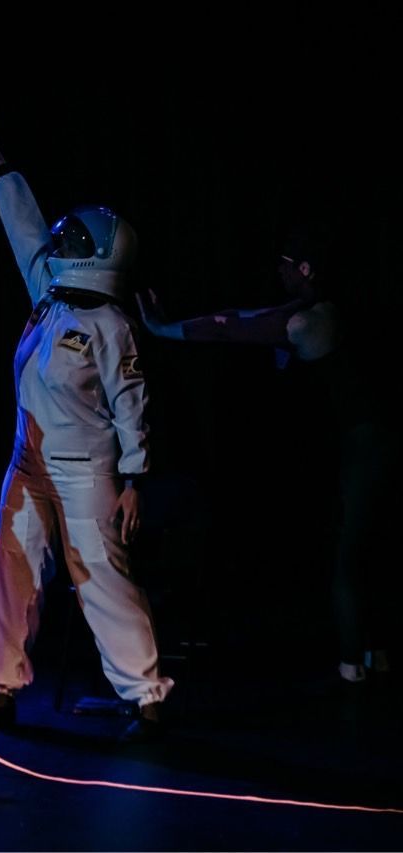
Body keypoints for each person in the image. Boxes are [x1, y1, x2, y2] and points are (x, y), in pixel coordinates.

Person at [0, 113, 173, 742]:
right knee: (12, 570)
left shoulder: (111, 326)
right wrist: (1, 168)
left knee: (102, 581)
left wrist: (135, 478)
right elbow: (24, 230)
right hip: (27, 464)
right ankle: (2, 691)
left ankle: (146, 699)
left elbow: (133, 405)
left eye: (75, 245)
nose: (61, 250)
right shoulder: (49, 297)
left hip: (87, 472)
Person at [138, 228, 394, 684]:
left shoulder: (312, 321)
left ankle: (355, 664)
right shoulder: (325, 310)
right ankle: (373, 653)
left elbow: (235, 327)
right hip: (362, 443)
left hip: (369, 445)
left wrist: (162, 329)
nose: (277, 271)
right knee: (365, 549)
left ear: (305, 269)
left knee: (351, 556)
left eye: (285, 263)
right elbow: (241, 318)